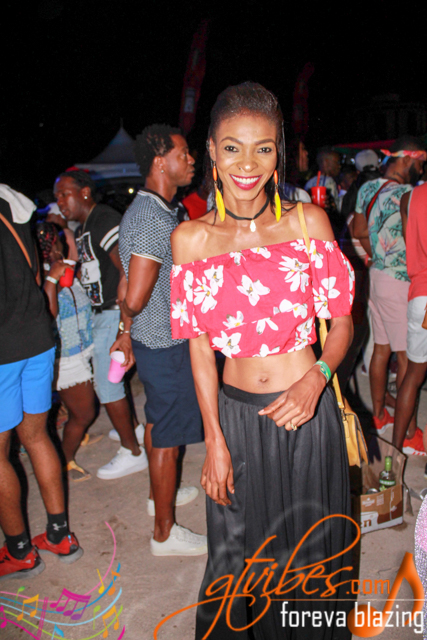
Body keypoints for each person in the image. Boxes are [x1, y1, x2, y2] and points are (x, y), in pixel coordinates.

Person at [170, 83, 355, 639]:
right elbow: (199, 348)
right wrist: (214, 440)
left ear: (280, 154)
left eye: (263, 148)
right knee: (236, 562)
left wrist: (316, 380)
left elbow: (342, 323)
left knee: (309, 559)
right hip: (236, 421)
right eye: (232, 148)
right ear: (211, 150)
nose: (247, 165)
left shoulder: (308, 224)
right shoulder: (191, 239)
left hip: (308, 416)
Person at [114, 124, 206, 556]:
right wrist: (128, 320)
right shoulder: (152, 217)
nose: (191, 160)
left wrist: (125, 333)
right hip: (165, 344)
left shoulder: (159, 209)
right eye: (183, 153)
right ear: (159, 162)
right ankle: (164, 534)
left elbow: (124, 276)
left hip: (154, 341)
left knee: (157, 423)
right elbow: (133, 295)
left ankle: (159, 496)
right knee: (168, 435)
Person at [0, 186, 82, 580]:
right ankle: (59, 535)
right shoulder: (13, 205)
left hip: (3, 348)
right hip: (36, 337)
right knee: (36, 437)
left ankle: (19, 551)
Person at [53, 170, 148, 479]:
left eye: (64, 194)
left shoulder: (103, 218)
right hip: (102, 314)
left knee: (108, 386)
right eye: (56, 197)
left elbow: (128, 267)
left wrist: (125, 324)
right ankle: (132, 430)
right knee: (112, 383)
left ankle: (133, 452)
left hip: (113, 313)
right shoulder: (84, 227)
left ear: (84, 192)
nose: (60, 202)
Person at [353, 136, 425, 445]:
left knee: (381, 349)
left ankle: (380, 413)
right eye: (420, 164)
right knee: (408, 361)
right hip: (399, 281)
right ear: (407, 159)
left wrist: (377, 257)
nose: (421, 170)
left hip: (376, 277)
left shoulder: (368, 188)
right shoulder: (409, 195)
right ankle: (408, 433)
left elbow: (358, 230)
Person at [36, 221, 98, 480]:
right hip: (66, 357)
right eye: (54, 243)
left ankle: (75, 439)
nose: (59, 247)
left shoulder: (62, 267)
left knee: (79, 410)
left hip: (81, 349)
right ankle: (65, 460)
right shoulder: (40, 276)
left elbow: (72, 246)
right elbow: (47, 315)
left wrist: (65, 231)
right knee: (84, 413)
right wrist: (52, 278)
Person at [393, 181, 427, 456]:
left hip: (419, 293)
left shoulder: (409, 197)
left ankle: (395, 451)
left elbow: (410, 243)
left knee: (413, 376)